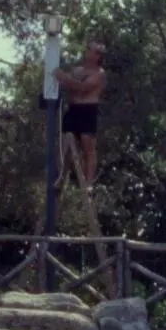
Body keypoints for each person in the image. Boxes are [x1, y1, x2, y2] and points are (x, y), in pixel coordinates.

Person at [56, 42, 107, 235]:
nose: (87, 52)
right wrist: (66, 81)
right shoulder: (78, 69)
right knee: (64, 143)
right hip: (74, 109)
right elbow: (71, 87)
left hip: (88, 110)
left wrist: (65, 79)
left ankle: (88, 183)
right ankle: (62, 176)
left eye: (91, 50)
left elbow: (83, 88)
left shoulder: (100, 73)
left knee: (88, 148)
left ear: (97, 55)